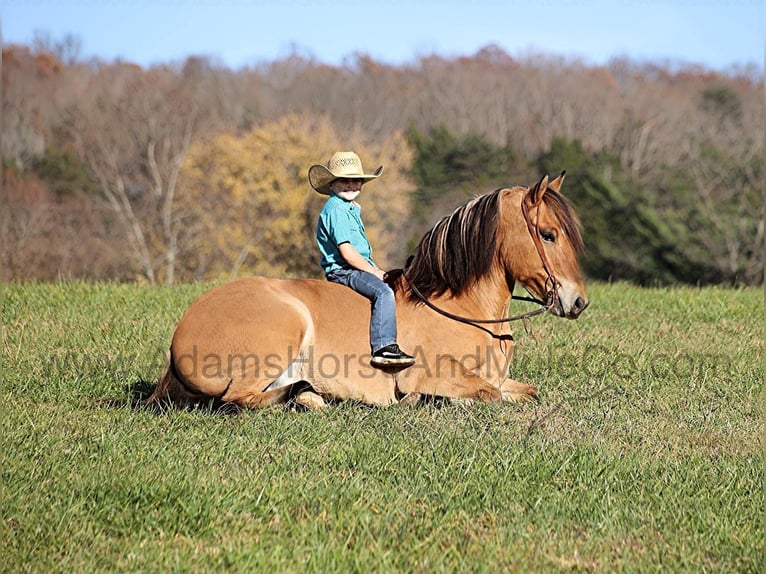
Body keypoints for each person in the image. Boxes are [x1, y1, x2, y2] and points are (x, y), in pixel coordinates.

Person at [309, 151, 415, 369]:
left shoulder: (348, 209)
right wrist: (375, 272)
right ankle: (384, 346)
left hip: (356, 268)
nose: (351, 185)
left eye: (356, 180)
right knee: (383, 291)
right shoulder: (336, 209)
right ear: (332, 184)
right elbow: (347, 252)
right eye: (344, 181)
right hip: (344, 270)